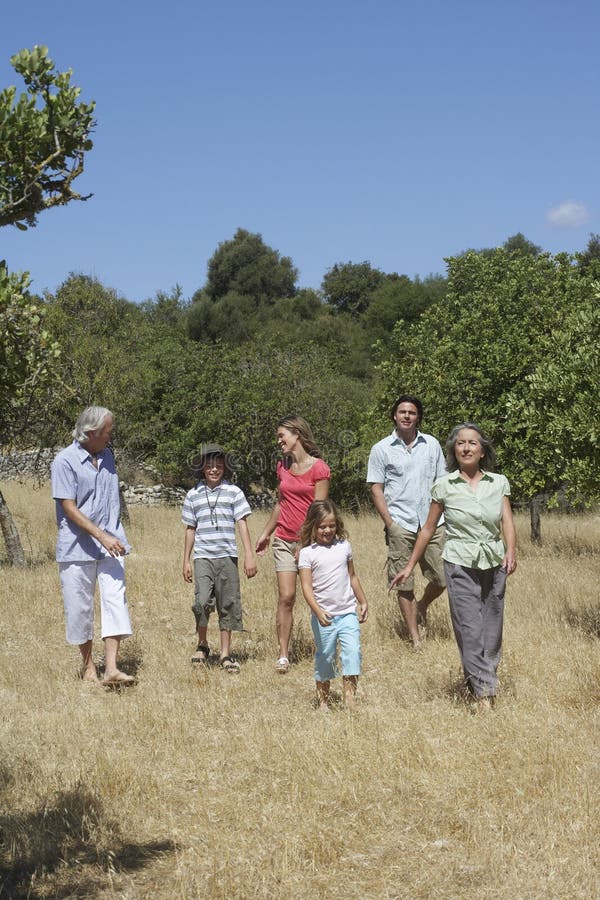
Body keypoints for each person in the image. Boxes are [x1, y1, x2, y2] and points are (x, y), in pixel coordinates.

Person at [390, 423, 517, 709]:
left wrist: (511, 550)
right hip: (459, 561)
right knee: (469, 627)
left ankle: (479, 682)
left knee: (491, 628)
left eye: (472, 443)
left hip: (494, 561)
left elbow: (506, 520)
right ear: (453, 450)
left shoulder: (498, 482)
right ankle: (485, 694)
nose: (466, 448)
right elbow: (427, 530)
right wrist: (410, 566)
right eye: (460, 443)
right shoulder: (444, 486)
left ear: (482, 450)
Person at [51, 406, 135, 686]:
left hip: (112, 544)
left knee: (115, 602)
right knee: (79, 608)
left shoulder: (108, 457)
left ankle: (111, 669)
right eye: (107, 432)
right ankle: (89, 668)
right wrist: (101, 535)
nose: (110, 437)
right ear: (90, 433)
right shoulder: (64, 461)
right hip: (76, 547)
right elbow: (69, 507)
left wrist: (113, 535)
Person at [367, 395, 447, 649]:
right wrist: (390, 524)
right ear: (394, 416)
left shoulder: (432, 444)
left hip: (432, 523)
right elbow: (376, 488)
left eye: (411, 412)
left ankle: (422, 605)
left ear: (418, 417)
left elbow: (442, 482)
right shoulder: (381, 449)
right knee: (403, 583)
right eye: (402, 412)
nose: (406, 416)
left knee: (444, 577)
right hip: (400, 522)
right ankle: (415, 638)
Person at [255, 416, 330, 673]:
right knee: (286, 597)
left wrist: (305, 543)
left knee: (317, 598)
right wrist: (266, 532)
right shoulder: (282, 466)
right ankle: (283, 655)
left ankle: (325, 649)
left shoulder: (319, 468)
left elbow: (319, 510)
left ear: (296, 434)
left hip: (311, 544)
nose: (279, 441)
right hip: (284, 541)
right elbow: (281, 502)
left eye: (281, 436)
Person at [182, 443, 257, 673]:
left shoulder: (234, 492)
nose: (214, 469)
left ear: (225, 467)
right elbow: (190, 528)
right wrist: (185, 559)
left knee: (228, 603)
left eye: (218, 465)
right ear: (202, 468)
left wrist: (249, 555)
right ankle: (202, 644)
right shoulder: (193, 494)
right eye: (209, 465)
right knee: (202, 601)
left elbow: (241, 524)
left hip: (227, 556)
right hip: (203, 556)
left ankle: (225, 654)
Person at [298, 500, 368, 711]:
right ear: (313, 526)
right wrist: (318, 611)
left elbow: (352, 576)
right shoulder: (307, 553)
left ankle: (350, 698)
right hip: (325, 616)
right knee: (326, 657)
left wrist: (363, 601)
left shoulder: (344, 547)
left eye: (331, 525)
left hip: (347, 612)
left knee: (352, 652)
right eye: (322, 526)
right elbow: (306, 588)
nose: (327, 530)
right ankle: (323, 701)